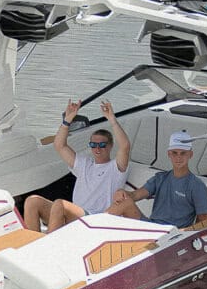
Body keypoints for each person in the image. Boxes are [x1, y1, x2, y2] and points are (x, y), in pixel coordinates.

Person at [20, 99, 132, 231]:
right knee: (33, 201)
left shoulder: (116, 168)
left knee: (60, 204)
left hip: (94, 219)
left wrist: (112, 119)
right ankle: (32, 243)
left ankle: (47, 247)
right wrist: (67, 120)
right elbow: (59, 146)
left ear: (110, 146)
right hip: (73, 215)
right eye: (93, 145)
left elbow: (125, 146)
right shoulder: (84, 164)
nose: (97, 149)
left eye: (102, 145)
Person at [108, 129, 207, 228]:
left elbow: (205, 220)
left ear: (190, 155)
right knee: (124, 202)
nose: (178, 157)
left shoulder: (197, 186)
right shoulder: (160, 178)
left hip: (173, 235)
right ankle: (94, 230)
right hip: (151, 227)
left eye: (183, 153)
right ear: (169, 154)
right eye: (174, 153)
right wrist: (122, 192)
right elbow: (135, 195)